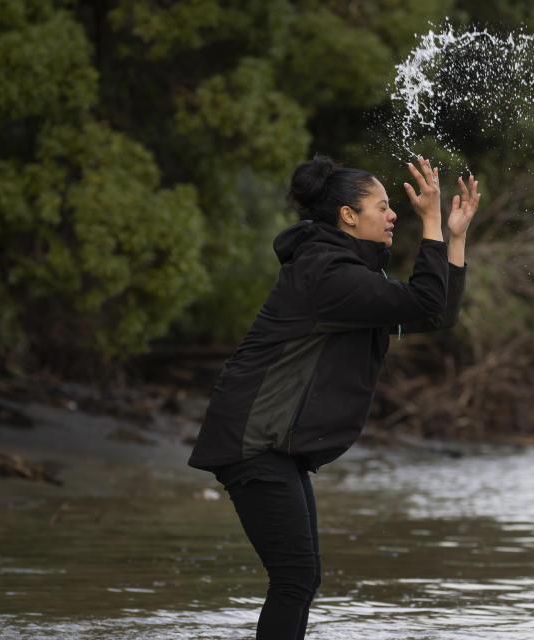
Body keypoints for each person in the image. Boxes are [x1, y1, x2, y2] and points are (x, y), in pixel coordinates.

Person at [188, 153, 481, 639]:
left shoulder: (346, 272)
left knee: (301, 577)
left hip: (272, 446)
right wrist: (428, 218)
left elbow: (436, 316)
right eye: (383, 207)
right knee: (295, 577)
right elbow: (426, 301)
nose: (393, 215)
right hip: (255, 441)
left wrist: (454, 236)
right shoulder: (329, 275)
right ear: (348, 215)